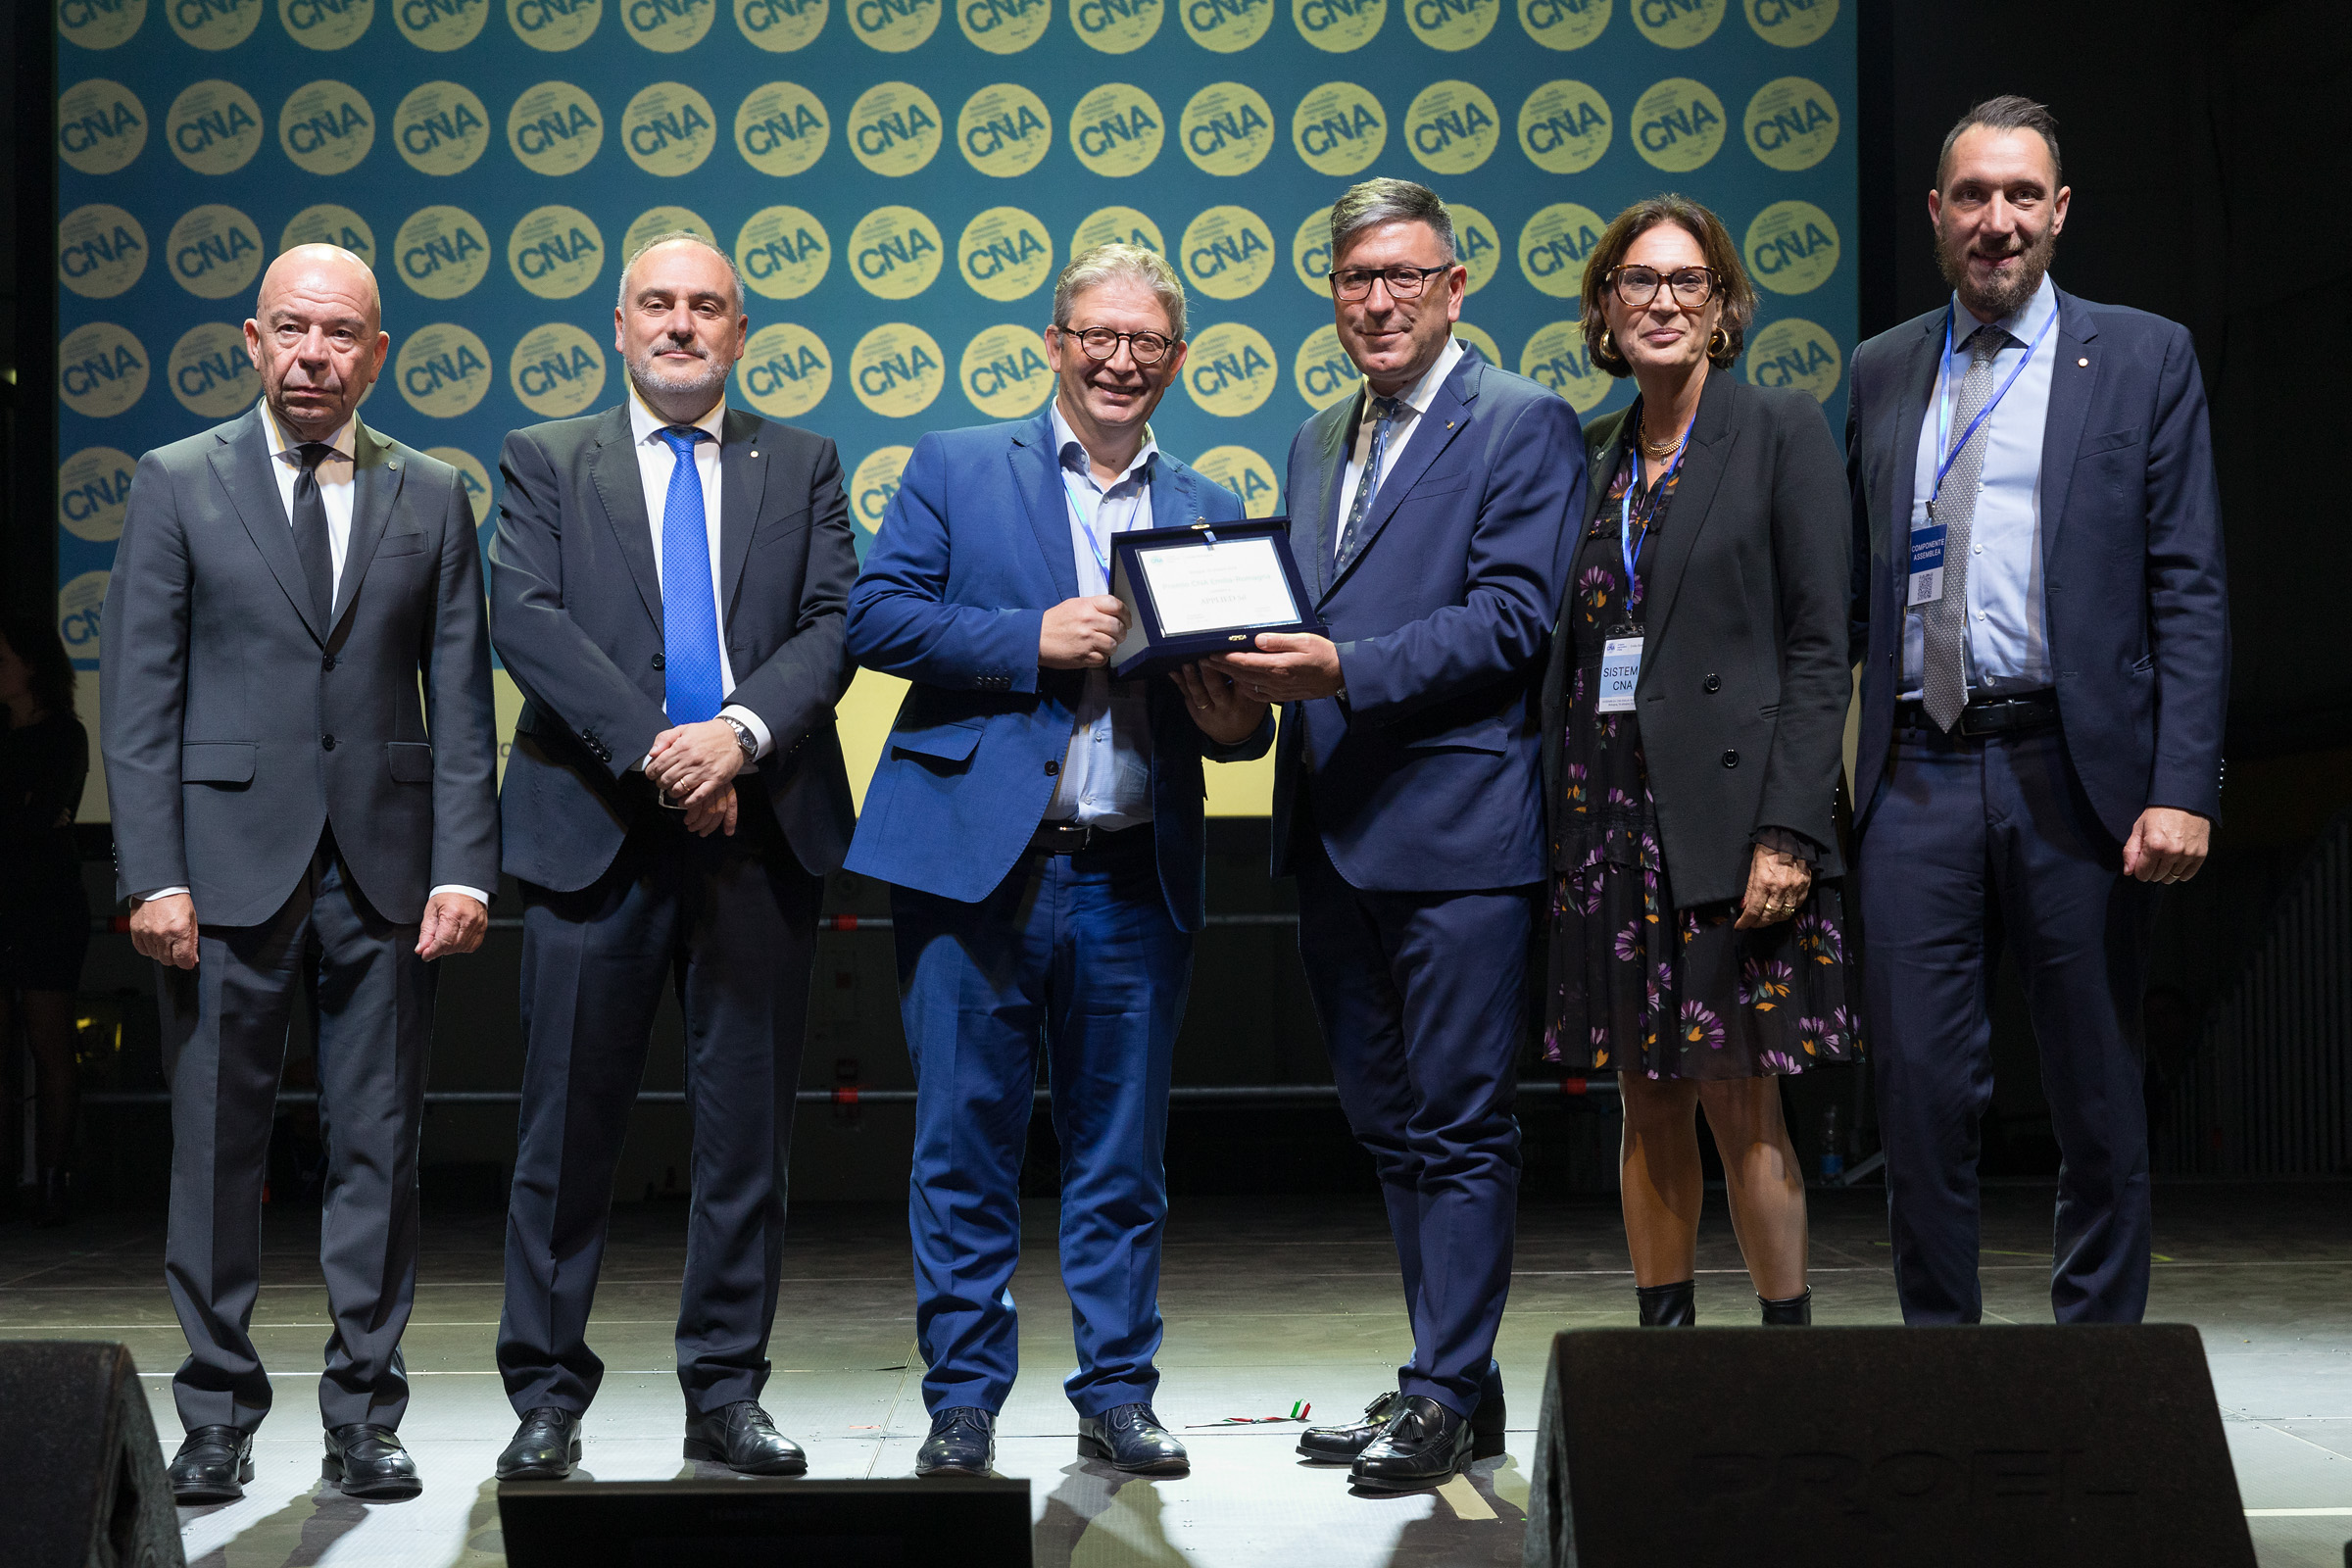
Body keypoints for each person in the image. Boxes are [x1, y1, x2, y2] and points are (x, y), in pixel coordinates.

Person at [845, 244, 1272, 1480]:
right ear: (1055, 344)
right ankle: (962, 1403)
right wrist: (1025, 636)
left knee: (1122, 1158)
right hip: (972, 872)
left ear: (1176, 361)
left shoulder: (1205, 505)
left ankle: (1118, 1394)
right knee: (961, 1150)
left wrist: (1237, 720)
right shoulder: (956, 464)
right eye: (1098, 336)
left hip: (1133, 873)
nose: (1120, 360)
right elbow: (876, 616)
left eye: (1146, 342)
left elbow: (1240, 718)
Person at [99, 244, 500, 1502]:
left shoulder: (433, 491)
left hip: (387, 871)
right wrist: (151, 873)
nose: (313, 353)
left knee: (380, 1146)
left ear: (377, 352)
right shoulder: (177, 480)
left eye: (339, 333)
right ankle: (215, 1414)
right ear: (253, 341)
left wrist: (466, 867)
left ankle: (366, 1413)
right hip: (219, 873)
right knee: (218, 1149)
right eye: (291, 328)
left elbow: (462, 701)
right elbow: (140, 697)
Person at [1214, 178, 1582, 1490]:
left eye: (1404, 276)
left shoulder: (1523, 422)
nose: (1378, 301)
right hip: (1332, 829)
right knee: (1386, 1122)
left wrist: (1343, 671)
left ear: (1455, 287)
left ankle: (1440, 1387)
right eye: (1355, 278)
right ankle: (1452, 1378)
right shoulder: (1320, 436)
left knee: (1461, 1123)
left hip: (1460, 833)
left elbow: (1514, 619)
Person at [1847, 97, 2228, 1325]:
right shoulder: (1881, 368)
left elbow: (2189, 585)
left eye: (2022, 196)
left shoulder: (2146, 357)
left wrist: (2183, 784)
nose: (1997, 221)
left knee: (2098, 1097)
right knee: (1917, 1098)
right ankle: (1942, 1367)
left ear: (2059, 212)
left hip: (2078, 774)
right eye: (1974, 195)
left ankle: (2097, 1374)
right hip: (1914, 769)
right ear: (1936, 212)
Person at [488, 231, 858, 1480]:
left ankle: (727, 1393)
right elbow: (527, 619)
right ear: (620, 324)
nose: (682, 324)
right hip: (594, 837)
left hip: (759, 834)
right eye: (659, 302)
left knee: (744, 1140)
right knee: (564, 1135)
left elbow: (832, 624)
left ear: (739, 332)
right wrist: (667, 754)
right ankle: (546, 1395)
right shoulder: (546, 458)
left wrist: (736, 739)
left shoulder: (801, 461)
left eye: (707, 306)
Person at [1539, 196, 1857, 1330]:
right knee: (1647, 1098)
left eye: (1688, 280)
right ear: (1605, 307)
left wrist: (1791, 832)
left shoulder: (1781, 429)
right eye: (1639, 280)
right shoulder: (1588, 455)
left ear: (1723, 306)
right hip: (1610, 821)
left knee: (1740, 1097)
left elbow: (1820, 647)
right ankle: (1661, 1359)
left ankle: (1786, 1356)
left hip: (1732, 826)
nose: (1663, 300)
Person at [0, 617, 91, 1227]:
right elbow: (31, 818)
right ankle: (11, 1182)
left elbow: (45, 815)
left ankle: (54, 1180)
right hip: (11, 898)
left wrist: (29, 815)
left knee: (50, 1040)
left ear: (31, 665)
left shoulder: (65, 733)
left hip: (47, 904)